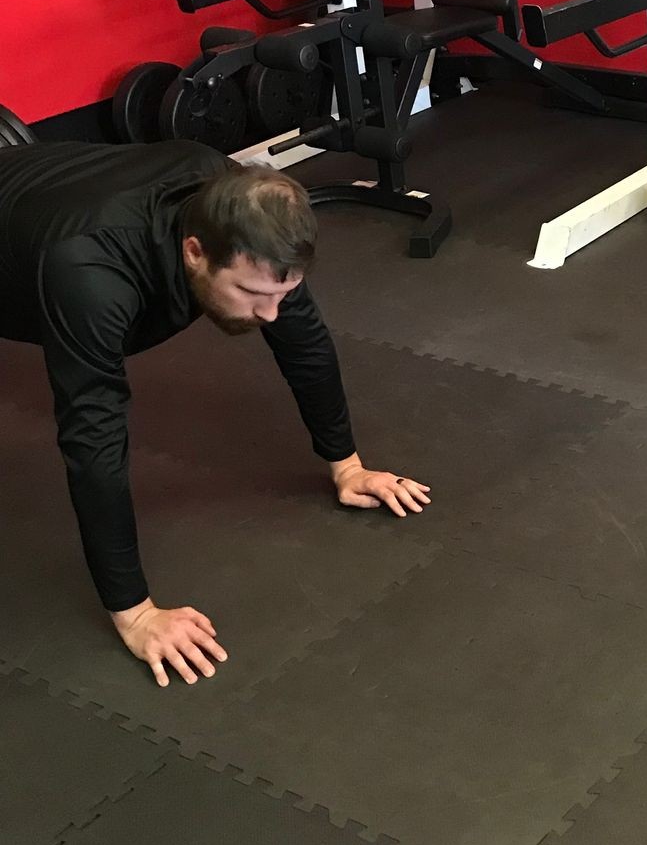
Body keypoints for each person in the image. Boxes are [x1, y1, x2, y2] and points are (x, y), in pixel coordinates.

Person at [0, 139, 430, 688]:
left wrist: (347, 465)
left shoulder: (244, 214)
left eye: (282, 293)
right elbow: (93, 441)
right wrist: (135, 613)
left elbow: (305, 343)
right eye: (252, 295)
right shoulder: (91, 273)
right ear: (195, 252)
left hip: (44, 184)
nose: (270, 313)